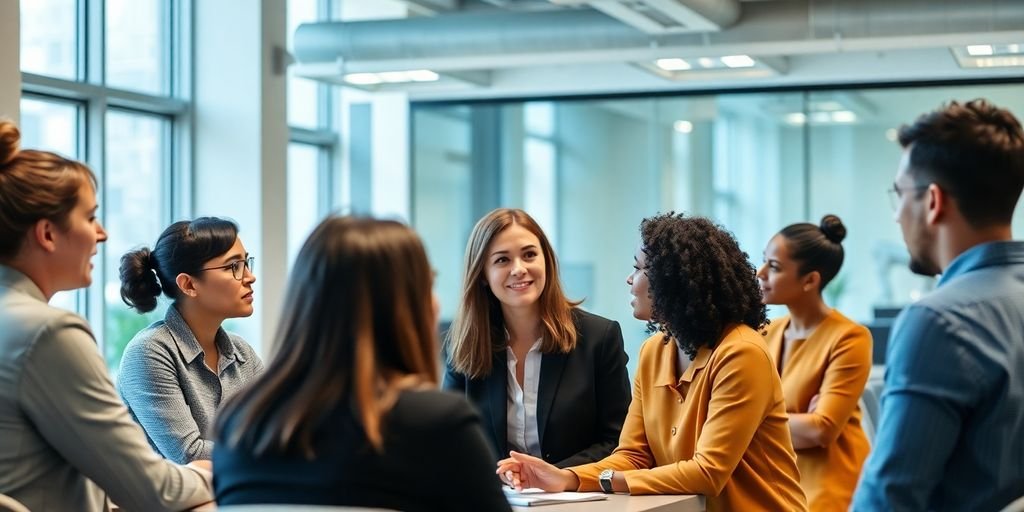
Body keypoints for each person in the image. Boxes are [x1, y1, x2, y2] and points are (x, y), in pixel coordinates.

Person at [497, 213, 807, 512]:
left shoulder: (741, 352)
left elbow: (707, 473)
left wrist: (606, 482)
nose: (629, 279)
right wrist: (567, 478)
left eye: (638, 268)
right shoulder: (654, 351)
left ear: (673, 280)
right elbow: (633, 454)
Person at [213, 216, 511, 511]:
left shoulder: (236, 427)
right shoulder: (438, 424)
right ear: (401, 307)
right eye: (427, 287)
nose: (436, 303)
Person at [0, 120, 213, 511]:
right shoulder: (48, 333)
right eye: (90, 217)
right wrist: (222, 470)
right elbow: (153, 490)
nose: (102, 234)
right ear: (47, 234)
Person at [853, 99, 1024, 511]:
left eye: (900, 194)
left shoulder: (939, 321)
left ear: (933, 201)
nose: (896, 217)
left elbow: (889, 500)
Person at [443, 208, 630, 468]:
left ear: (547, 262)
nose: (519, 269)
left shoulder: (600, 338)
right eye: (502, 260)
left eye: (529, 255)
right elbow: (450, 443)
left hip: (579, 499)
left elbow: (618, 441)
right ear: (483, 274)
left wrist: (551, 476)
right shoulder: (464, 345)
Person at [117, 217, 264, 464]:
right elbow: (189, 454)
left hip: (231, 494)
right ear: (188, 284)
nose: (250, 277)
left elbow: (276, 427)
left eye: (246, 263)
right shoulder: (149, 352)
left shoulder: (242, 353)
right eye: (233, 267)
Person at [757, 214, 872, 511]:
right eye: (764, 261)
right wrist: (797, 422)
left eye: (775, 267)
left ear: (810, 280)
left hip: (828, 490)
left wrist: (747, 422)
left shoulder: (850, 337)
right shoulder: (765, 333)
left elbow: (821, 430)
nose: (760, 273)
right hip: (774, 482)